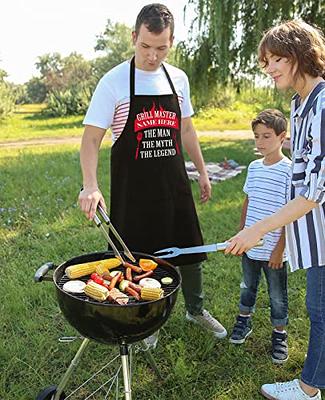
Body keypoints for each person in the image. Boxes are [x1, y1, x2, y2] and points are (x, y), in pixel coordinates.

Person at [78, 3, 227, 347]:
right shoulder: (114, 81)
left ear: (171, 42)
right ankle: (147, 318)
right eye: (145, 46)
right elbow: (91, 139)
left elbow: (187, 130)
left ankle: (195, 309)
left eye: (161, 48)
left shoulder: (178, 79)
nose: (152, 56)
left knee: (189, 249)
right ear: (134, 37)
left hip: (174, 185)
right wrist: (90, 185)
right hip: (135, 189)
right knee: (137, 257)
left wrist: (202, 172)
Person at [225, 20, 325, 400]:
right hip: (312, 229)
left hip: (321, 224)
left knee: (320, 311)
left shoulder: (323, 105)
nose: (268, 68)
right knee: (319, 308)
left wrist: (256, 231)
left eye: (276, 59)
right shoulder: (299, 104)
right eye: (266, 61)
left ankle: (308, 390)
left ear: (301, 55)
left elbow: (313, 192)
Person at [229, 109, 291, 366]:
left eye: (267, 136)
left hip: (274, 250)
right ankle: (244, 320)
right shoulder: (254, 167)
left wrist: (279, 249)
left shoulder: (289, 171)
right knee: (247, 286)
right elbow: (248, 201)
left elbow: (291, 214)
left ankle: (280, 334)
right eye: (256, 137)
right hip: (250, 247)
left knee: (277, 295)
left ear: (282, 137)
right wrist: (242, 233)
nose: (260, 142)